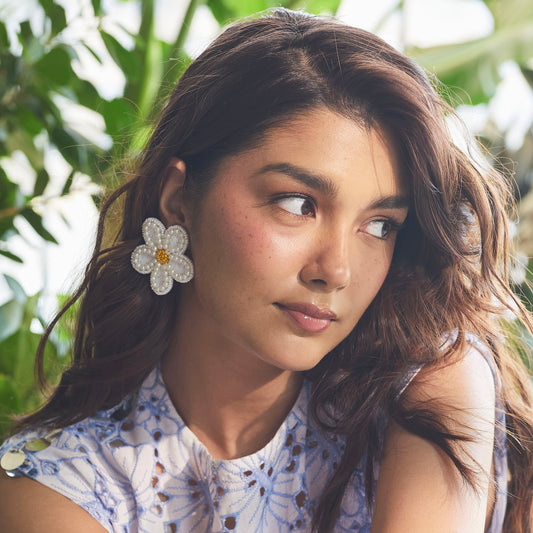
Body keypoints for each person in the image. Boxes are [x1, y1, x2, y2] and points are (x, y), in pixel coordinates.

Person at [0, 7, 532, 532]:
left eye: (379, 225)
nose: (337, 270)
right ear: (180, 198)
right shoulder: (57, 484)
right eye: (298, 204)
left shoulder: (428, 382)